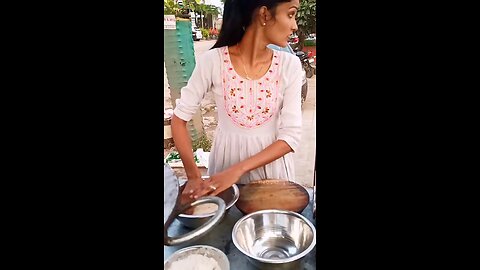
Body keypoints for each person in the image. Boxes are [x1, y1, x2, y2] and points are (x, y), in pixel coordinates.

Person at [171, 0, 302, 203]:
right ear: (265, 14)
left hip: (273, 176)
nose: (294, 26)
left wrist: (238, 170)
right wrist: (193, 176)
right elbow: (178, 120)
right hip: (221, 175)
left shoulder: (290, 65)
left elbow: (291, 136)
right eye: (291, 14)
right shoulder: (212, 61)